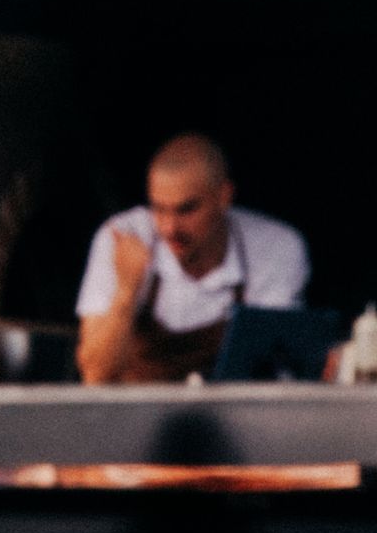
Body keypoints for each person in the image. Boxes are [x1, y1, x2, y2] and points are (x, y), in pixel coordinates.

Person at [74, 134, 310, 385]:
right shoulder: (122, 237)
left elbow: (278, 371)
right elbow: (96, 376)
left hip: (234, 405)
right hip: (139, 406)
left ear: (224, 197)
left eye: (186, 209)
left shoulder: (275, 247)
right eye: (159, 209)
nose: (169, 228)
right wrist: (126, 290)